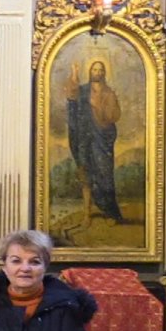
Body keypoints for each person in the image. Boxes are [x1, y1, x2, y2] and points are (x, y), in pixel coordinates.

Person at [64, 60, 123, 225]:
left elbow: (114, 116)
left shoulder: (109, 93)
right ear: (90, 72)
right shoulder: (83, 91)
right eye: (94, 69)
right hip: (84, 139)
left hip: (101, 141)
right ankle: (86, 214)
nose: (97, 72)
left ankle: (110, 212)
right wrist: (75, 73)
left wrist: (99, 108)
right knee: (86, 177)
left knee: (105, 175)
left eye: (100, 70)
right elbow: (71, 96)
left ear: (104, 73)